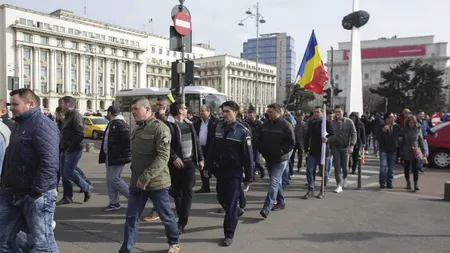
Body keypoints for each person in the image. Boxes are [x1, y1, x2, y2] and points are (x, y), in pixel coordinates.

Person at [0, 88, 59, 252]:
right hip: (12, 193)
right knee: (3, 240)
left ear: (30, 104)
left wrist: (35, 193)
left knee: (43, 245)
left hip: (36, 195)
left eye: (15, 104)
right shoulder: (20, 125)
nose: (11, 108)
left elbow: (50, 164)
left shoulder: (43, 125)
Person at [119, 97, 179, 253]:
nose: (133, 113)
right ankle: (125, 249)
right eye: (132, 109)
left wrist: (145, 177)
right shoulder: (137, 129)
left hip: (157, 183)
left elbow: (163, 157)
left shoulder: (160, 128)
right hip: (136, 183)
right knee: (131, 218)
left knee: (166, 216)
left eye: (136, 109)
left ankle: (174, 242)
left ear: (147, 109)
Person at [204, 101, 253, 247]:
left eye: (228, 112)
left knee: (231, 204)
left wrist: (249, 177)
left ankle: (229, 233)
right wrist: (207, 166)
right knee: (221, 197)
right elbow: (212, 149)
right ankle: (237, 211)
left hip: (234, 172)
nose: (224, 114)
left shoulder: (242, 131)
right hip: (221, 170)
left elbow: (248, 156)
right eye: (223, 111)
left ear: (235, 113)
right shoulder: (219, 127)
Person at [166, 101, 204, 233]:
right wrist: (174, 157)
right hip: (176, 164)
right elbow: (166, 144)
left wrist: (201, 158)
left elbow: (196, 142)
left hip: (190, 163)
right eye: (185, 108)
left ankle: (182, 221)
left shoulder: (189, 124)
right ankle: (181, 215)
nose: (187, 109)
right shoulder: (169, 125)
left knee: (187, 191)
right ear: (179, 110)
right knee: (177, 193)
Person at [258, 103, 295, 218]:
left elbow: (291, 143)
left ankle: (266, 207)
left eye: (271, 112)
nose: (268, 114)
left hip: (280, 159)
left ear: (278, 112)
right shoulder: (265, 123)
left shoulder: (285, 125)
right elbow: (260, 139)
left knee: (273, 182)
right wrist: (262, 150)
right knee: (276, 182)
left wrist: (279, 152)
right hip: (268, 158)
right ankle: (281, 201)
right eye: (267, 112)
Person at [57, 96, 91, 205]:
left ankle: (85, 187)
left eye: (61, 103)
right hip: (64, 148)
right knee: (64, 173)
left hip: (72, 149)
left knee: (68, 173)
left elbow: (79, 134)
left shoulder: (75, 115)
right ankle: (67, 197)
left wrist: (70, 148)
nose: (60, 106)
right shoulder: (67, 116)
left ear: (67, 104)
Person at [99, 105, 131, 211]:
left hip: (117, 156)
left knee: (114, 179)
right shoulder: (112, 123)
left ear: (110, 113)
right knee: (110, 180)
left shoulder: (120, 124)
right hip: (110, 156)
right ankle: (114, 203)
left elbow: (127, 140)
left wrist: (118, 152)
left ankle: (133, 198)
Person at [329, 106, 357, 193]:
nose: (337, 114)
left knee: (345, 167)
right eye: (336, 112)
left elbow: (353, 134)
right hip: (335, 147)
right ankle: (339, 184)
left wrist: (352, 145)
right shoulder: (332, 123)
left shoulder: (349, 122)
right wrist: (329, 146)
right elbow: (328, 134)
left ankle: (345, 177)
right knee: (337, 166)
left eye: (339, 112)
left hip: (345, 147)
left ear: (343, 112)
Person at [194, 105, 218, 193]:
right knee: (202, 167)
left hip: (211, 148)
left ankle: (220, 186)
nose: (201, 113)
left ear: (208, 111)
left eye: (203, 111)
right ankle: (205, 186)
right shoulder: (197, 122)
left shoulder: (215, 122)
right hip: (201, 148)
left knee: (213, 167)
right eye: (200, 111)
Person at [376, 112, 401, 189]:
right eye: (390, 117)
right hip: (384, 149)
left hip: (393, 149)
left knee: (391, 168)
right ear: (386, 119)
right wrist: (383, 131)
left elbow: (400, 136)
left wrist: (399, 142)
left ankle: (389, 181)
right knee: (383, 166)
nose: (392, 119)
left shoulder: (396, 126)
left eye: (393, 117)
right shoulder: (381, 126)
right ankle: (382, 182)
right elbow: (377, 137)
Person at [401, 115, 426, 191]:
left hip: (415, 149)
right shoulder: (404, 129)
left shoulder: (418, 129)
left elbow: (421, 140)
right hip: (406, 149)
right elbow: (401, 141)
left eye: (413, 122)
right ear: (407, 123)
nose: (411, 124)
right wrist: (401, 151)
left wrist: (423, 150)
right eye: (410, 122)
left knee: (415, 168)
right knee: (406, 167)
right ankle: (408, 182)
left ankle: (416, 183)